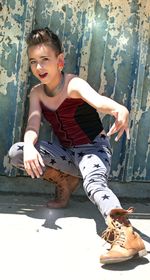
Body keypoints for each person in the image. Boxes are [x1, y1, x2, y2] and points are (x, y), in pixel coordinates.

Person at [8, 27, 147, 264]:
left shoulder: (73, 84)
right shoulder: (37, 93)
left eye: (45, 60)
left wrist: (118, 109)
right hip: (67, 155)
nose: (39, 67)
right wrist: (31, 145)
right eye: (33, 62)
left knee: (94, 186)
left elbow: (98, 101)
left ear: (59, 61)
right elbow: (33, 124)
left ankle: (127, 234)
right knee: (18, 152)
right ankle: (66, 180)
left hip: (92, 151)